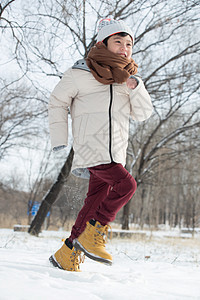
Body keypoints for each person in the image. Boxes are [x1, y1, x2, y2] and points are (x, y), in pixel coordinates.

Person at [48, 18, 153, 271]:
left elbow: (142, 114)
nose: (124, 48)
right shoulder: (80, 72)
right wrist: (59, 141)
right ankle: (95, 231)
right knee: (126, 184)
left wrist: (135, 87)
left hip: (115, 151)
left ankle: (67, 253)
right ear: (102, 43)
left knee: (93, 202)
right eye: (118, 41)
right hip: (91, 148)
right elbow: (57, 102)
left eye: (129, 44)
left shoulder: (127, 79)